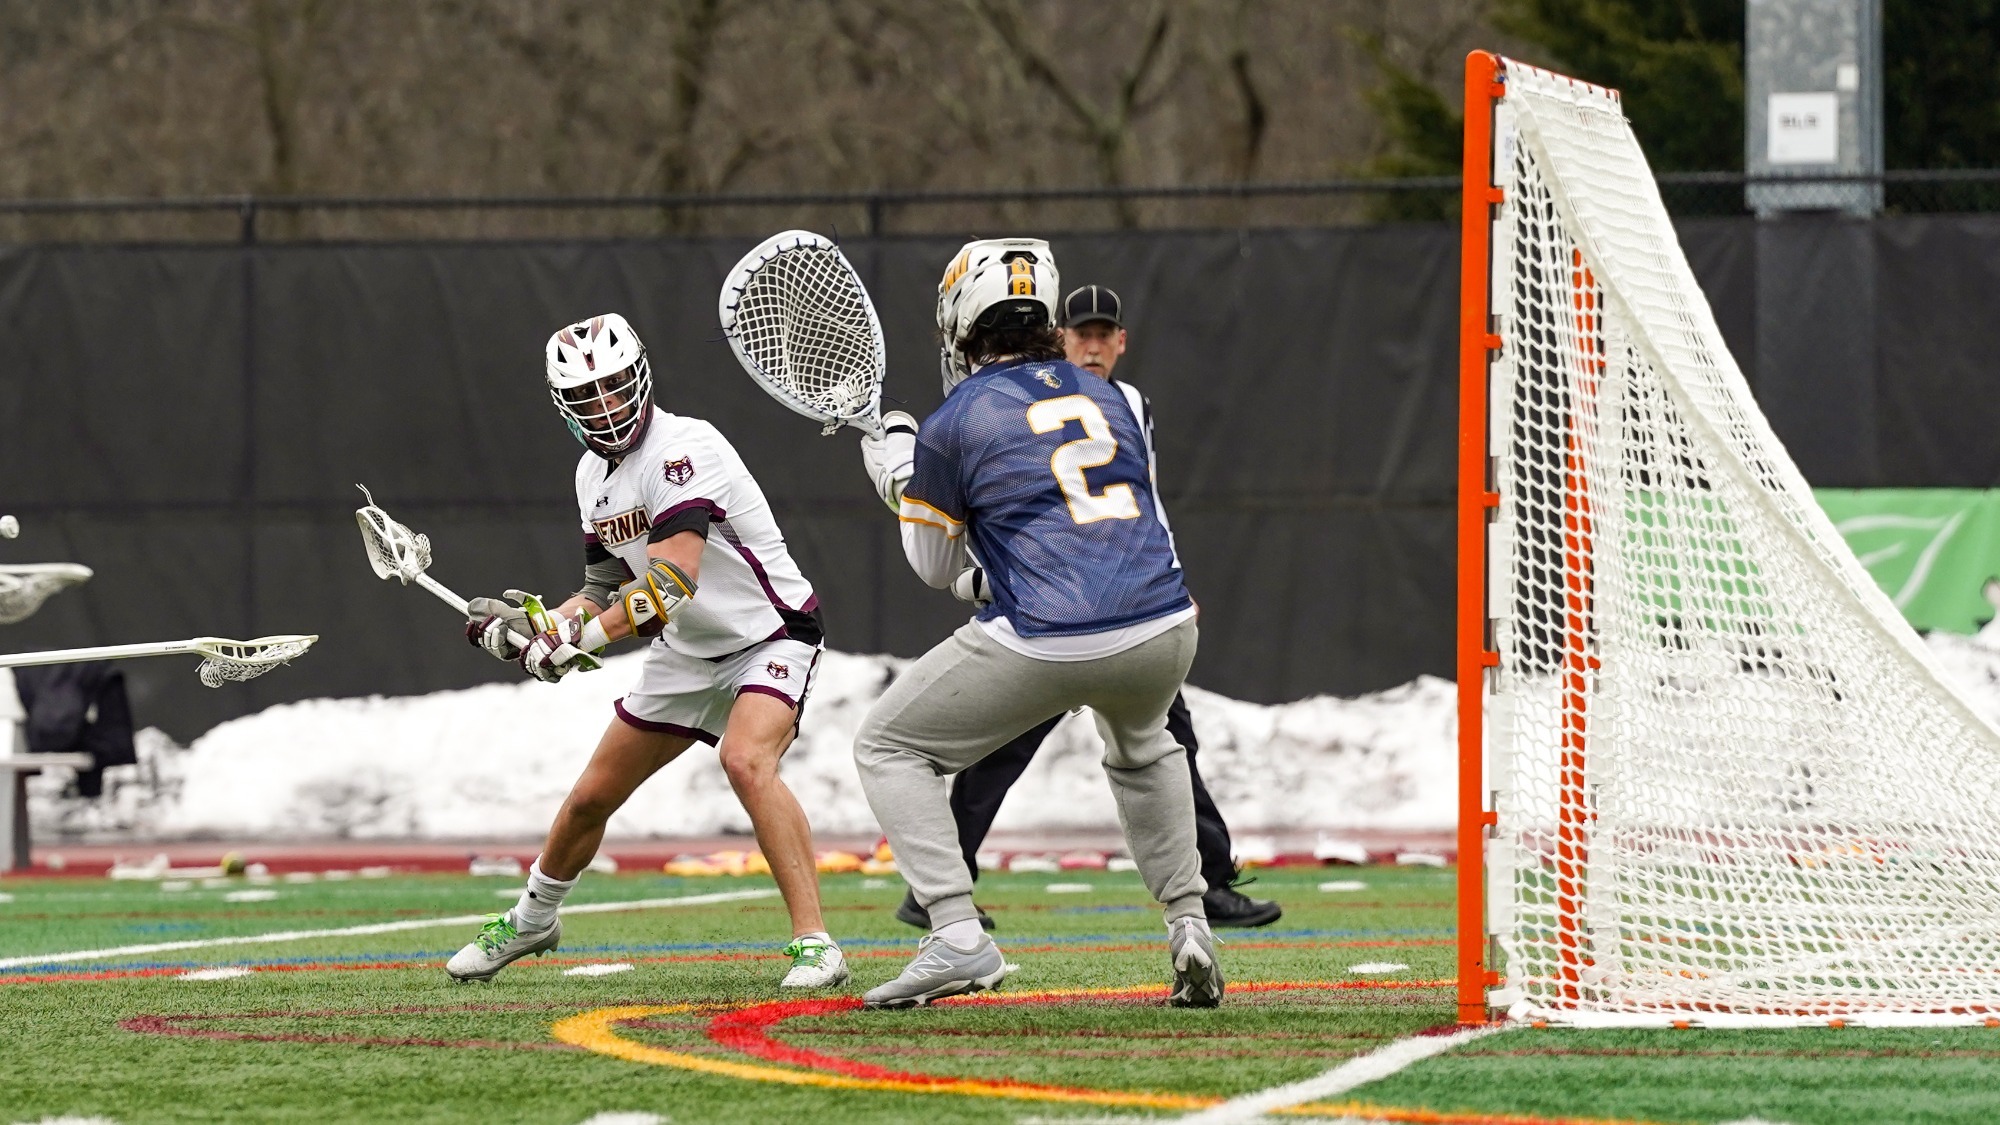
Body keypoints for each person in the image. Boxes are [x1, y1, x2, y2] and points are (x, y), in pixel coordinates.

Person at [852, 240, 1222, 1010]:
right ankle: (1189, 922)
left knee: (888, 744)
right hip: (1166, 622)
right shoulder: (1115, 396)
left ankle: (954, 929)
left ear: (961, 318)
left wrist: (899, 472)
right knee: (1146, 744)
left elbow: (932, 565)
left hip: (1054, 633)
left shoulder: (953, 421)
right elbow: (1129, 513)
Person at [445, 313, 847, 990]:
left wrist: (579, 637)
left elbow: (670, 584)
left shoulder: (685, 448)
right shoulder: (590, 476)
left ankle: (817, 942)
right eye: (587, 397)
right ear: (564, 407)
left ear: (642, 378)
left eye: (615, 387)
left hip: (769, 634)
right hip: (689, 654)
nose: (605, 407)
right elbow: (604, 584)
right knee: (588, 799)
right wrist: (537, 629)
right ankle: (534, 917)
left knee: (746, 760)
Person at [891, 284, 1282, 932]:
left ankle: (1204, 881)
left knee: (1164, 739)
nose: (1094, 344)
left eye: (1106, 333)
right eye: (1083, 332)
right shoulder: (1030, 403)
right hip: (1071, 606)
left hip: (1103, 602)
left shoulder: (1115, 402)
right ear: (1058, 338)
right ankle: (1192, 900)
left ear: (1122, 342)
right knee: (1130, 744)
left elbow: (1139, 500)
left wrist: (1166, 570)